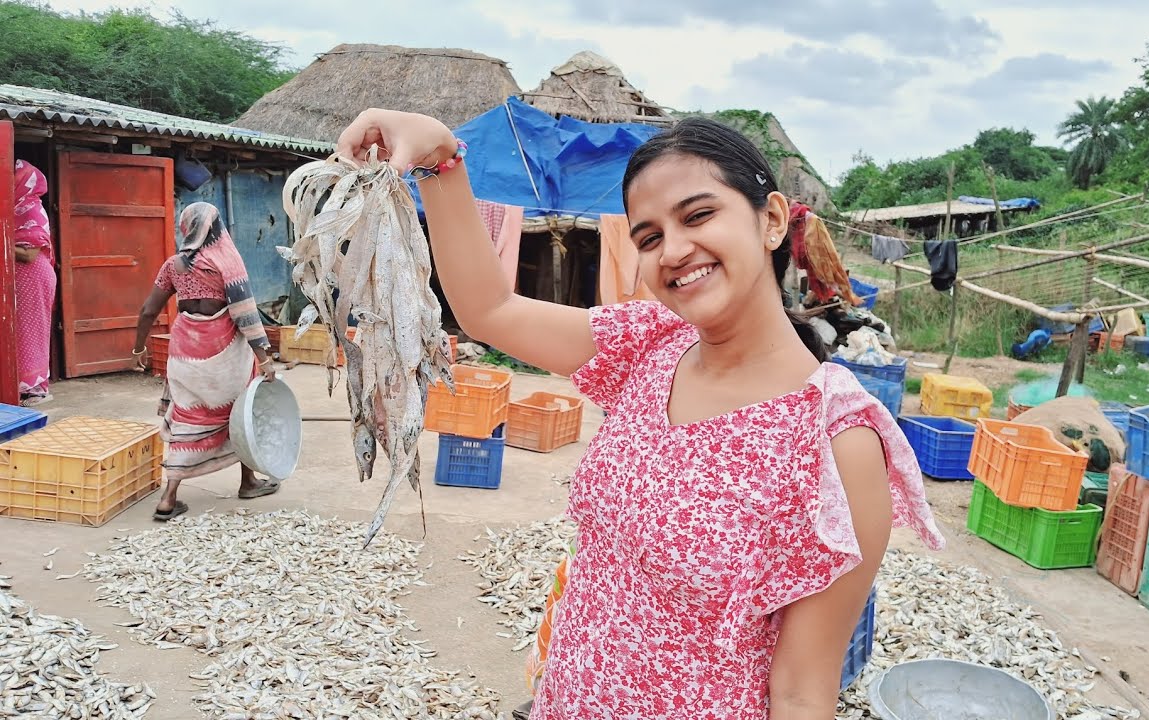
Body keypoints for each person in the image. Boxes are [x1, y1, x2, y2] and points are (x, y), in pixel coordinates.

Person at [336, 110, 945, 719]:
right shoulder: (650, 345)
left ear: (772, 220)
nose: (674, 251)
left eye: (699, 215)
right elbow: (489, 308)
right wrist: (442, 160)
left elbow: (801, 693)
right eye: (649, 237)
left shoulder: (838, 443)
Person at [133, 202, 278, 522]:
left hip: (184, 353)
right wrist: (264, 357)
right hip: (224, 356)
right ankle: (248, 481)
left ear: (187, 229)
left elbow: (147, 310)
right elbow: (245, 314)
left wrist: (138, 348)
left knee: (186, 417)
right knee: (240, 413)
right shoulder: (226, 261)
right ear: (216, 228)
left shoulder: (173, 266)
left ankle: (169, 498)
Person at [12, 161, 57, 406]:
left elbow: (29, 254)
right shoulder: (11, 207)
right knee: (16, 331)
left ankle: (34, 389)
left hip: (33, 276)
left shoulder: (30, 208)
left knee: (30, 330)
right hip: (18, 277)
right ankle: (18, 385)